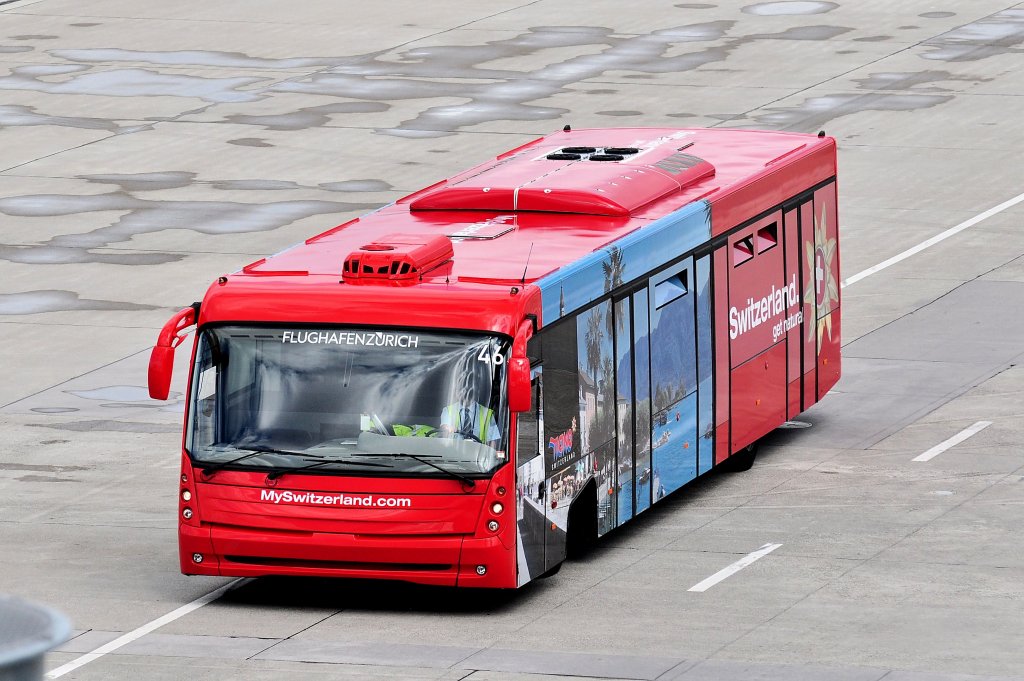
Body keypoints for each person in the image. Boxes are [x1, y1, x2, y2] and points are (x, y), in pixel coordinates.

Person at [439, 357, 501, 448]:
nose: (463, 393)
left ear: (475, 391)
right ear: (456, 391)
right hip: (452, 454)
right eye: (460, 389)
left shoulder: (487, 414)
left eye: (467, 389)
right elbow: (445, 428)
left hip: (477, 457)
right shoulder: (448, 410)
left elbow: (492, 443)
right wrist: (448, 428)